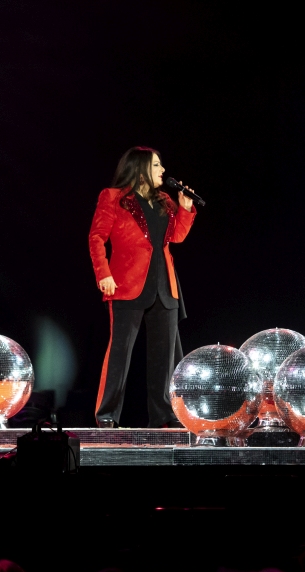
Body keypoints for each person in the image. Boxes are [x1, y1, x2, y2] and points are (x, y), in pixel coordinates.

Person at [89, 146, 196, 428]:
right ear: (140, 168)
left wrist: (185, 209)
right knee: (120, 352)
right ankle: (107, 415)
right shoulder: (113, 197)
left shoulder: (164, 200)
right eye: (157, 165)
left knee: (164, 357)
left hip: (164, 285)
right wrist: (104, 274)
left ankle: (163, 417)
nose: (163, 171)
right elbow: (97, 237)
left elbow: (177, 237)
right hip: (127, 283)